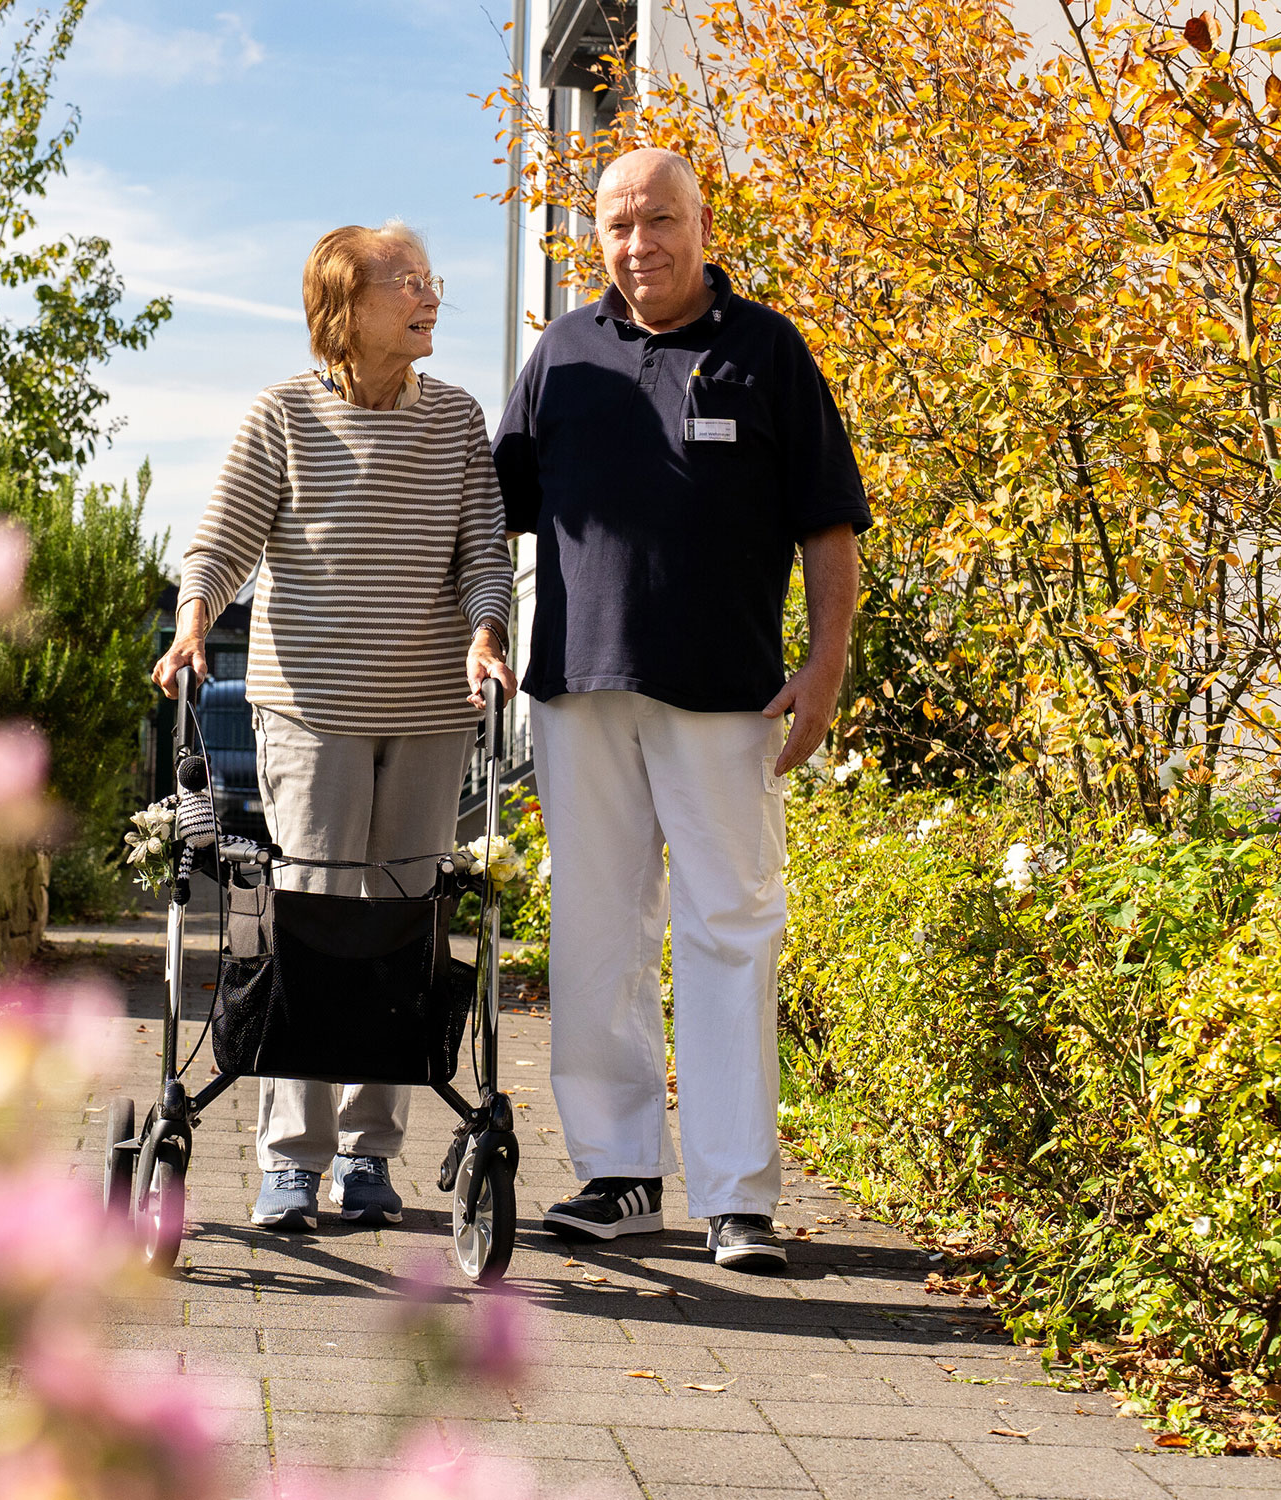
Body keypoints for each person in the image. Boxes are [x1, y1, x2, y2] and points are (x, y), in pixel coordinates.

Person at [492, 148, 871, 1272]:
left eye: (660, 220)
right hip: (580, 692)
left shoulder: (766, 351)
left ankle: (737, 1197)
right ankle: (617, 1181)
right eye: (615, 224)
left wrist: (827, 661)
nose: (637, 243)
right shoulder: (561, 356)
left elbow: (829, 529)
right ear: (592, 237)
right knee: (598, 936)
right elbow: (492, 515)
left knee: (728, 932)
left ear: (701, 225)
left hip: (728, 695)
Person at [153, 221, 518, 1233]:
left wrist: (486, 634)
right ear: (343, 308)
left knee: (402, 922)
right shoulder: (283, 417)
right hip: (309, 710)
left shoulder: (454, 422)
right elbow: (220, 544)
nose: (429, 296)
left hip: (427, 712)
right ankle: (290, 1159)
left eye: (429, 279)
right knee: (311, 917)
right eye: (407, 282)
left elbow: (483, 556)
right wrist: (190, 629)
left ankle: (369, 1157)